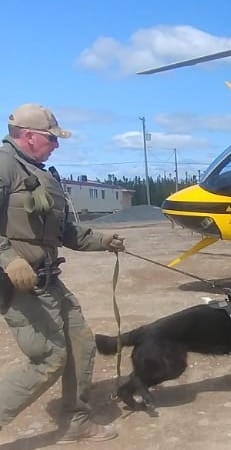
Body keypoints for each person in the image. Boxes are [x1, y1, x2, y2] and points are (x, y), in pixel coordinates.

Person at [0, 104, 125, 444]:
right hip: (18, 285)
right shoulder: (4, 165)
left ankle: (77, 422)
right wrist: (8, 258)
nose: (56, 145)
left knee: (81, 345)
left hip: (48, 279)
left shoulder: (43, 174)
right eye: (51, 139)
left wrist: (104, 241)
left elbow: (67, 231)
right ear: (29, 136)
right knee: (49, 358)